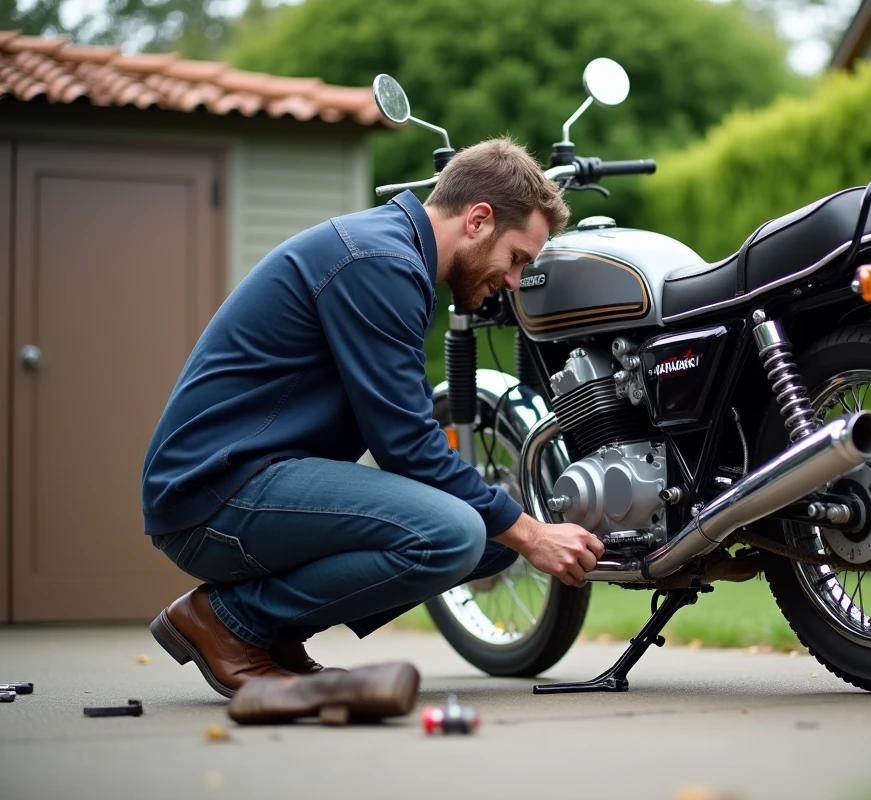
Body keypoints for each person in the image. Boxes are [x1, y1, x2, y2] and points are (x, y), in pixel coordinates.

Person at [141, 138, 605, 699]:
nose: (513, 281)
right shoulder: (378, 262)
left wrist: (517, 529)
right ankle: (230, 622)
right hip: (213, 491)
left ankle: (273, 636)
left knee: (494, 537)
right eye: (517, 259)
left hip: (250, 478)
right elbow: (407, 443)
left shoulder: (387, 253)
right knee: (458, 532)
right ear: (478, 219)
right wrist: (531, 530)